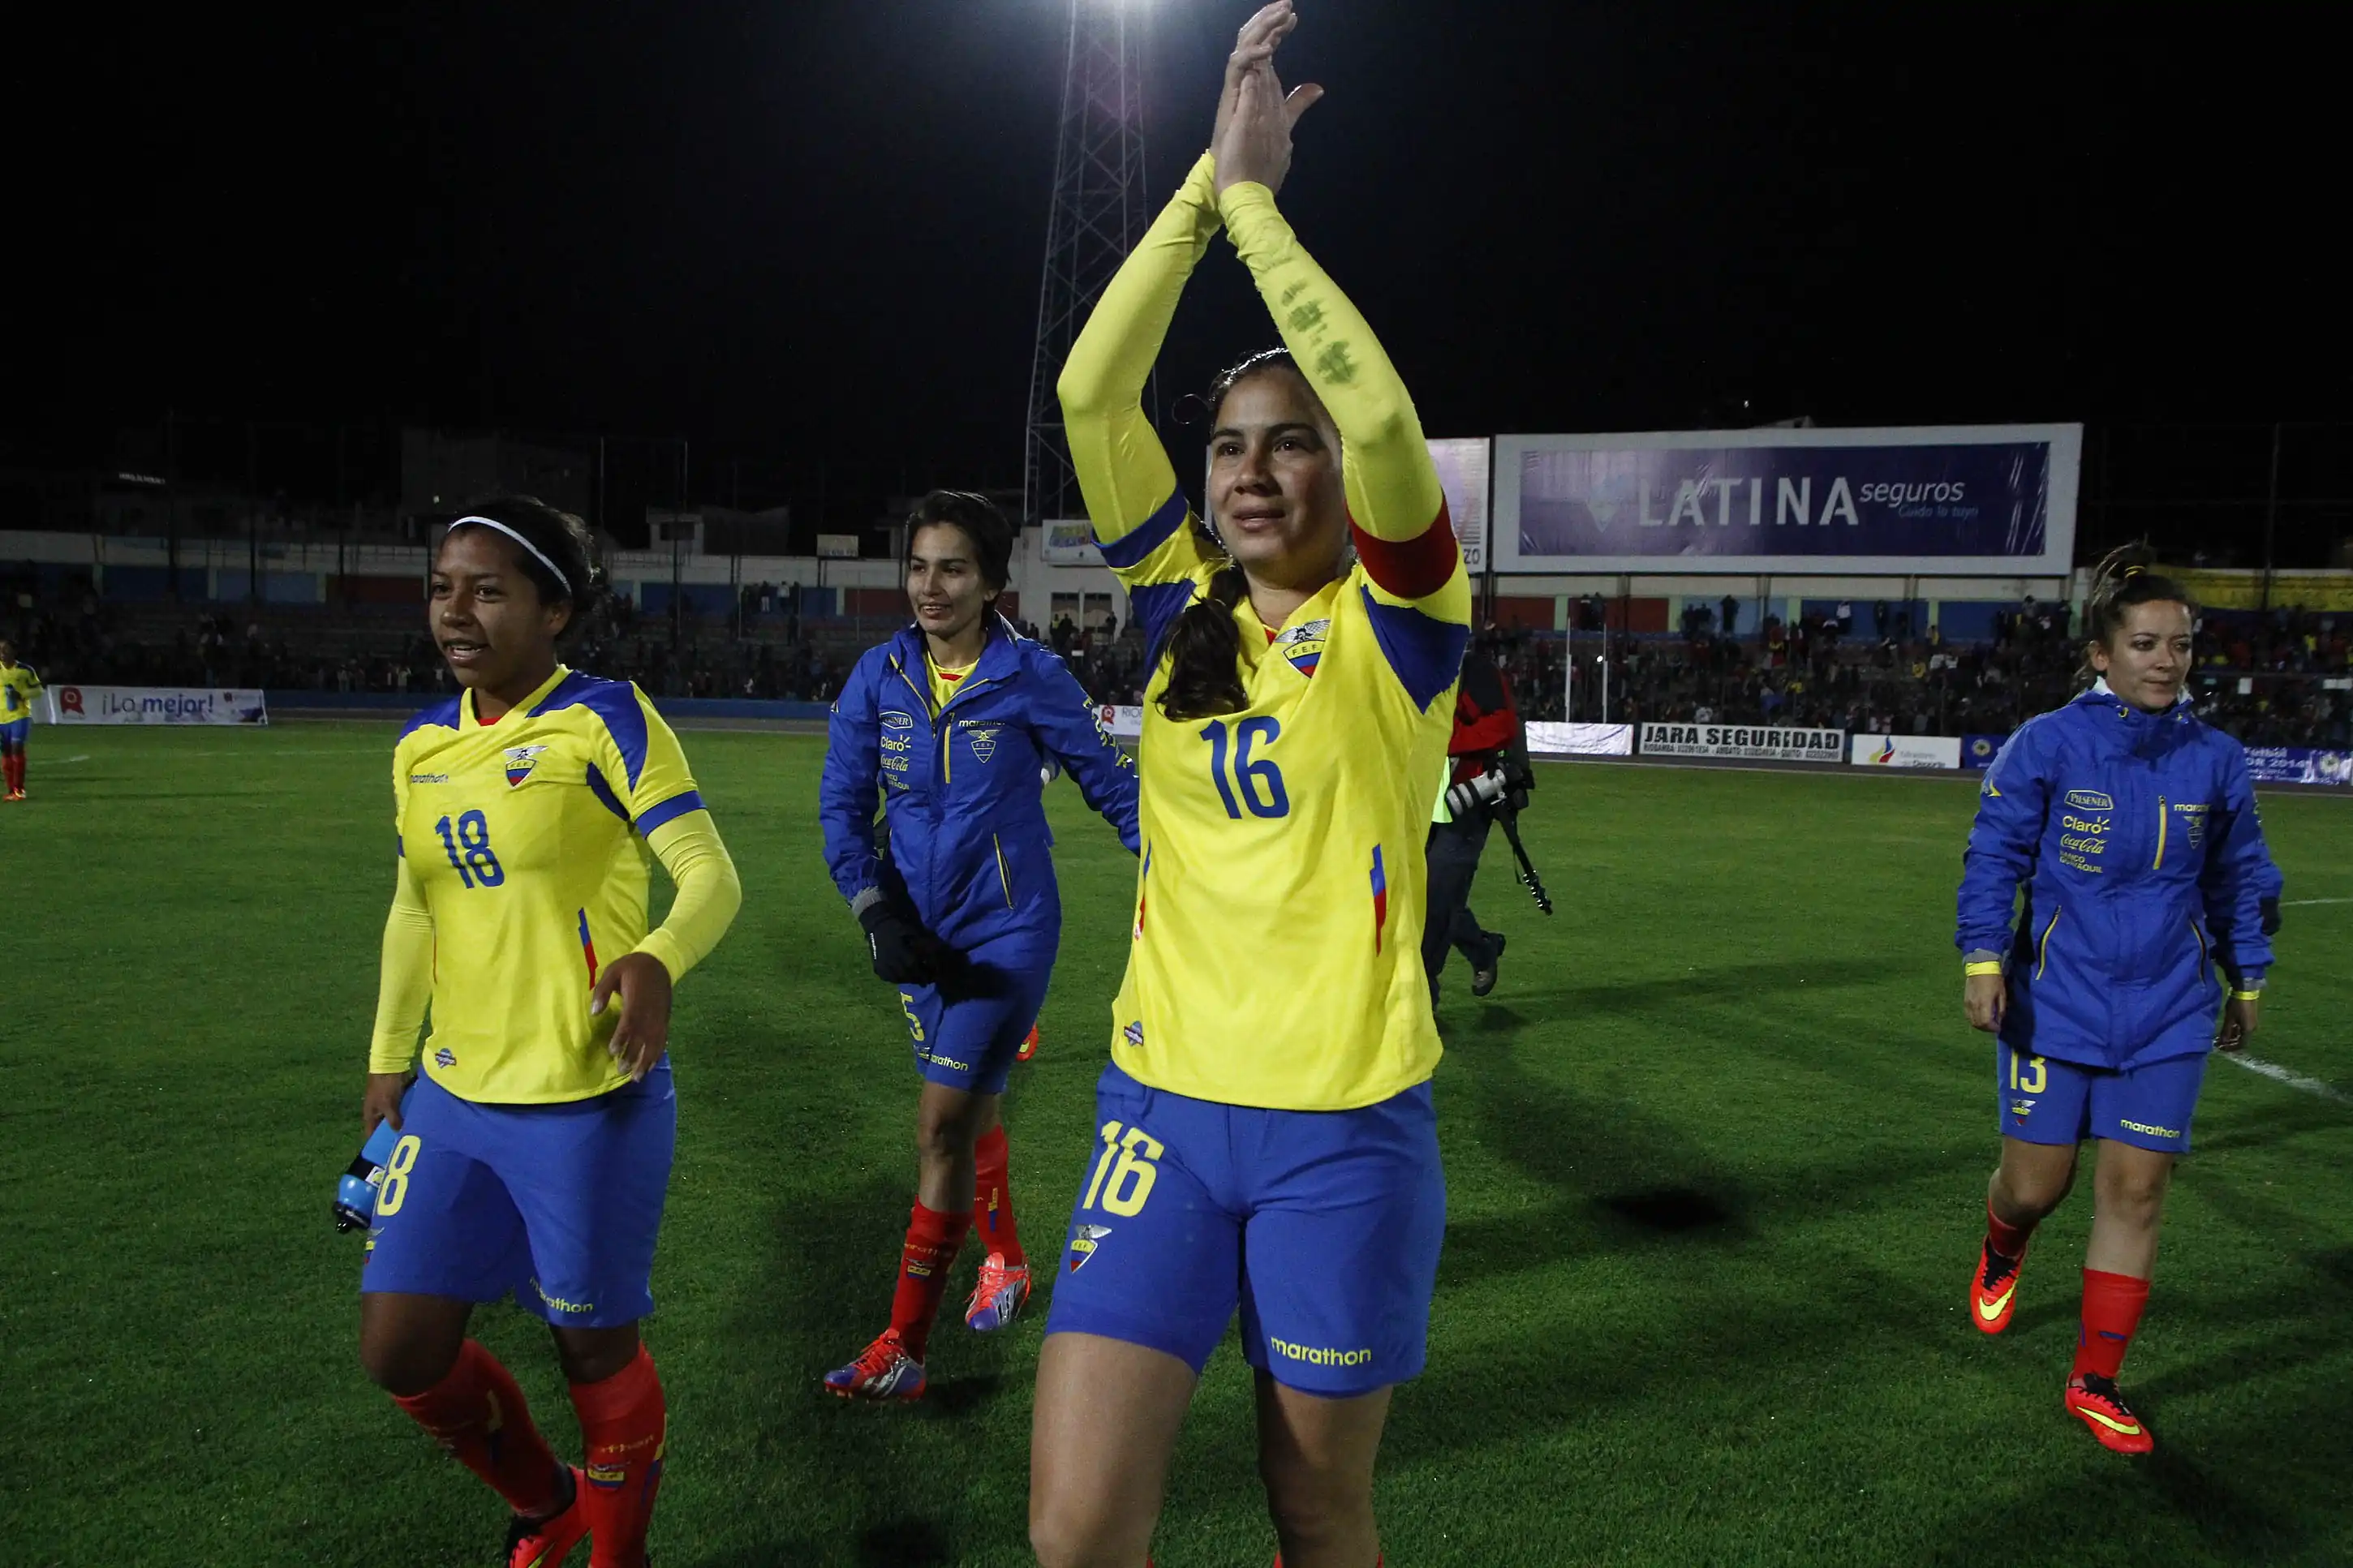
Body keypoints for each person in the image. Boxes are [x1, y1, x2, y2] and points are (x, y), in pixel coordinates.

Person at [1033, 7, 1466, 1564]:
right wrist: (1201, 195)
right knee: (1077, 1534)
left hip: (1343, 1129)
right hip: (1161, 1104)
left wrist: (1263, 212)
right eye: (1227, 446)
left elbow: (1387, 413)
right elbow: (1091, 397)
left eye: (1291, 444)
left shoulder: (1406, 625)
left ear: (1344, 474)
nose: (1250, 471)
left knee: (1316, 1507)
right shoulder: (1179, 606)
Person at [356, 496, 742, 1568]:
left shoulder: (604, 719)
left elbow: (709, 874)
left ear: (554, 609)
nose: (456, 612)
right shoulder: (421, 746)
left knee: (594, 1350)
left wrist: (658, 956)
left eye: (488, 591)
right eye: (443, 589)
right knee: (400, 1352)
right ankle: (549, 1501)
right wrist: (388, 1060)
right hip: (451, 1096)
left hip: (586, 1096)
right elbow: (415, 908)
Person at [1956, 543, 2282, 1455]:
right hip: (2054, 1001)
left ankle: (2094, 1382)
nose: (2166, 661)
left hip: (2168, 1008)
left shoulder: (2215, 759)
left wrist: (2246, 974)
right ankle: (2004, 1241)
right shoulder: (2048, 742)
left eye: (2180, 644)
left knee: (2135, 1190)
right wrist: (1983, 958)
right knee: (2036, 1185)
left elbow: (2239, 878)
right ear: (2102, 653)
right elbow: (1993, 854)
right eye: (2145, 644)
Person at [819, 490, 1138, 1402]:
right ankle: (1006, 1261)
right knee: (972, 1117)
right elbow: (842, 804)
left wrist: (1188, 874)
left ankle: (904, 1348)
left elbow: (1112, 786)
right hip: (921, 942)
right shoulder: (878, 675)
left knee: (938, 1124)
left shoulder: (1031, 675)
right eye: (919, 567)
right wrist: (875, 911)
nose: (931, 586)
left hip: (1007, 933)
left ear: (993, 582)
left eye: (953, 568)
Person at [1424, 639, 1521, 1003]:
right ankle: (1482, 949)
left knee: (1436, 898)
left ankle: (1424, 994)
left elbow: (1503, 726)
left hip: (1466, 804)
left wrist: (1442, 740)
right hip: (1422, 802)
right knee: (1432, 894)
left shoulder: (1474, 670)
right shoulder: (1410, 668)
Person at [0, 639, 41, 801]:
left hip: (20, 716)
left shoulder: (25, 670)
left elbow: (38, 690)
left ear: (14, 652)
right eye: (0, 650)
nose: (2, 653)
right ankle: (11, 790)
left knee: (17, 748)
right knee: (6, 752)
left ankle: (20, 789)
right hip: (1, 719)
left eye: (6, 650)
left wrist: (22, 695)